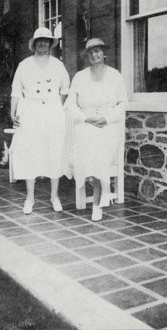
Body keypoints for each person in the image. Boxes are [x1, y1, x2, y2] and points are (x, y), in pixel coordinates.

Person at [65, 38, 127, 221]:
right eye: (91, 52)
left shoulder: (115, 75)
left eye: (98, 51)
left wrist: (106, 118)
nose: (94, 55)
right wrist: (86, 118)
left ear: (104, 53)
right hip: (87, 123)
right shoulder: (80, 76)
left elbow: (123, 102)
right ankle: (102, 191)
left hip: (109, 125)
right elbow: (70, 104)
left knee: (99, 143)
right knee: (86, 136)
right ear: (87, 56)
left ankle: (98, 203)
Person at [10, 27, 70, 214]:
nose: (43, 43)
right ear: (34, 44)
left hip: (52, 111)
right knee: (31, 152)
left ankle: (54, 196)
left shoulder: (58, 65)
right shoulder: (24, 65)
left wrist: (55, 107)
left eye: (46, 40)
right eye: (40, 40)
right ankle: (30, 198)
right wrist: (12, 113)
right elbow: (16, 92)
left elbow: (65, 90)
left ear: (50, 43)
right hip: (31, 111)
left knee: (54, 151)